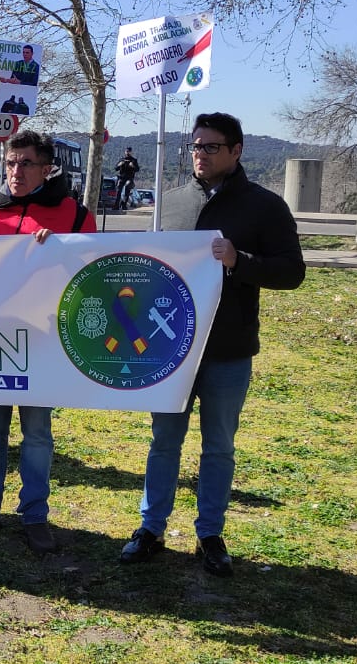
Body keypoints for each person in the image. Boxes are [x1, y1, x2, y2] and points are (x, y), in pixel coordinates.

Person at [119, 112, 305, 576]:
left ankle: (210, 534)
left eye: (210, 147)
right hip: (170, 350)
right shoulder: (171, 203)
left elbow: (291, 272)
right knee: (164, 441)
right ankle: (151, 528)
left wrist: (240, 261)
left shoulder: (265, 207)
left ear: (236, 151)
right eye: (195, 147)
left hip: (227, 348)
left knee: (218, 446)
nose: (200, 155)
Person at [0, 130, 96, 554]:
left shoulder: (74, 215)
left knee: (36, 434)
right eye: (11, 163)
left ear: (47, 168)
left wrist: (62, 251)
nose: (15, 172)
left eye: (26, 164)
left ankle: (34, 515)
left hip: (43, 340)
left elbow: (92, 273)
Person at [115, 146, 140, 211]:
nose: (127, 153)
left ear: (131, 152)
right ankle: (116, 206)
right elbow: (115, 168)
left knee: (127, 190)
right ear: (125, 152)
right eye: (126, 151)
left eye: (129, 151)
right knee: (118, 191)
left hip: (129, 178)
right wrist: (119, 164)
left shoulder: (134, 160)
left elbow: (137, 169)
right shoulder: (121, 159)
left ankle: (124, 205)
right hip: (121, 177)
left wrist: (133, 166)